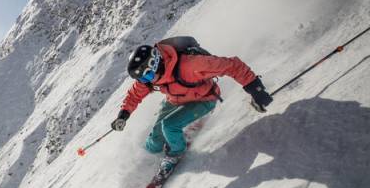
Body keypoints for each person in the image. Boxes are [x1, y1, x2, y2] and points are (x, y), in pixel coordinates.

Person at [110, 40, 273, 173]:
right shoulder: (150, 77)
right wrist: (123, 115)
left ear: (157, 63)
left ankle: (175, 154)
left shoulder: (191, 65)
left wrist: (256, 89)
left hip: (203, 99)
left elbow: (232, 65)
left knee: (169, 126)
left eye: (148, 76)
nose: (147, 81)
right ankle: (148, 158)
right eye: (143, 79)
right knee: (154, 140)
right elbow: (135, 94)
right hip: (175, 100)